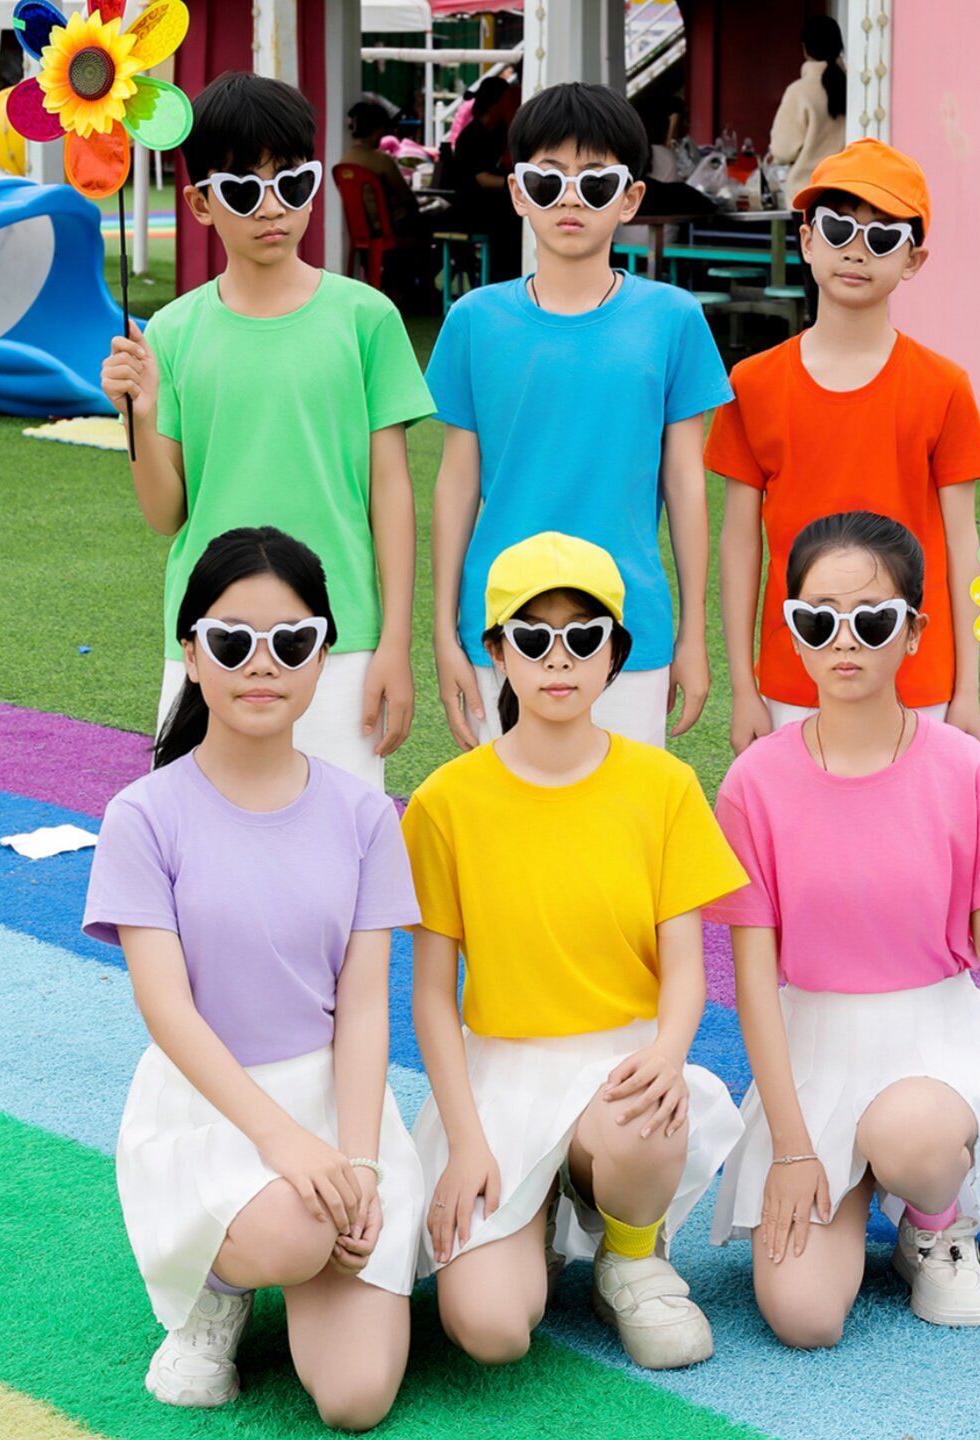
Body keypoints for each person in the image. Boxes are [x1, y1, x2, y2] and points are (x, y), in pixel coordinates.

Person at [82, 527, 425, 1425]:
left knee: (355, 1399)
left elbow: (364, 1010)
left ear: (323, 656)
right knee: (298, 1228)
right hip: (208, 1108)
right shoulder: (144, 816)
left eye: (291, 641)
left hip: (337, 1105)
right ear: (192, 654)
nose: (261, 663)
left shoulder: (365, 815)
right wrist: (287, 1145)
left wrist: (360, 1163)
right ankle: (218, 1292)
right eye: (232, 641)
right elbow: (168, 1011)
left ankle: (301, 1243)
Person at [402, 533, 748, 1371]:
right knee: (490, 1330)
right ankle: (544, 1214)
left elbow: (686, 968)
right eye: (532, 636)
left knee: (640, 1116)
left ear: (614, 655)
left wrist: (667, 1054)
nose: (559, 658)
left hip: (620, 1068)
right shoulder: (445, 801)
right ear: (496, 652)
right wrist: (466, 1139)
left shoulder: (664, 786)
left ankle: (630, 1255)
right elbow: (431, 997)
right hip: (499, 1078)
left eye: (584, 636)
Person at [706, 511, 980, 1345]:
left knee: (910, 1136)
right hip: (812, 1054)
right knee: (803, 1318)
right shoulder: (753, 785)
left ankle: (935, 1222)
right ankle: (860, 1198)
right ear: (792, 630)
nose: (844, 642)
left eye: (873, 619)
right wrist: (792, 1148)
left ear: (915, 631)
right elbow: (755, 987)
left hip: (935, 1046)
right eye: (818, 620)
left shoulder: (967, 768)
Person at [99, 71, 434, 789]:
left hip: (340, 633)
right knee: (202, 836)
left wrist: (395, 643)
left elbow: (390, 491)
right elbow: (166, 515)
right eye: (243, 190)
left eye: (292, 181)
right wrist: (141, 415)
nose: (272, 207)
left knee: (337, 836)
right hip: (209, 636)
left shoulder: (366, 319)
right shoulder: (172, 334)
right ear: (199, 202)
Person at [427, 82, 733, 754]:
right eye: (548, 180)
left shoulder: (673, 320)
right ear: (518, 192)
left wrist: (693, 635)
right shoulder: (474, 321)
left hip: (629, 623)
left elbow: (686, 485)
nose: (570, 198)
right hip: (499, 623)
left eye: (595, 182)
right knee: (507, 811)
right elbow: (456, 483)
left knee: (622, 813)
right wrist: (444, 631)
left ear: (630, 198)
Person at [707, 139, 980, 756]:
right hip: (794, 673)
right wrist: (742, 686)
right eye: (838, 228)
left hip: (917, 679)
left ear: (914, 259)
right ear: (808, 240)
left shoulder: (943, 386)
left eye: (883, 237)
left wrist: (967, 690)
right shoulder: (752, 384)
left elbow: (961, 544)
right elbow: (739, 543)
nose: (856, 250)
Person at [769, 14, 847, 208]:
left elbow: (783, 150)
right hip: (847, 194)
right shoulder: (855, 87)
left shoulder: (799, 92)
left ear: (805, 49)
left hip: (807, 195)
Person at [450, 73, 522, 281]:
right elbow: (483, 179)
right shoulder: (473, 137)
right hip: (473, 211)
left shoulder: (495, 133)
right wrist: (517, 183)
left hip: (488, 208)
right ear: (496, 106)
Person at [340, 100, 419, 237]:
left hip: (364, 230)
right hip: (392, 229)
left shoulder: (344, 162)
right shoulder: (382, 160)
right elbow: (408, 199)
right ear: (377, 131)